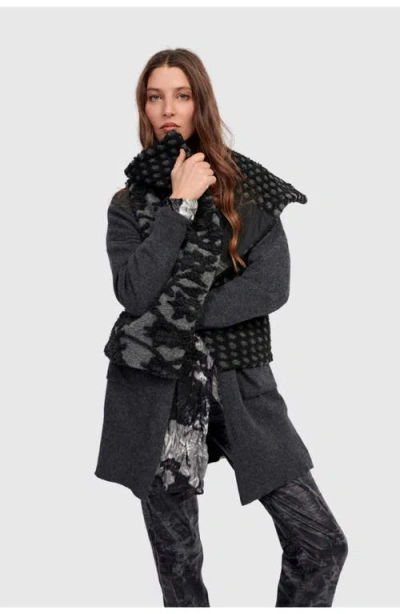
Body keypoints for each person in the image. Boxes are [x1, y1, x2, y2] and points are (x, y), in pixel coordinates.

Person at [95, 48, 349, 607]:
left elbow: (270, 287)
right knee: (180, 570)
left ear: (200, 103)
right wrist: (180, 205)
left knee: (322, 545)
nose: (168, 109)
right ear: (143, 107)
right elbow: (134, 291)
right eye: (155, 96)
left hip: (241, 381)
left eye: (181, 95)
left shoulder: (246, 186)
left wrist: (172, 313)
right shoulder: (127, 204)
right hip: (157, 392)